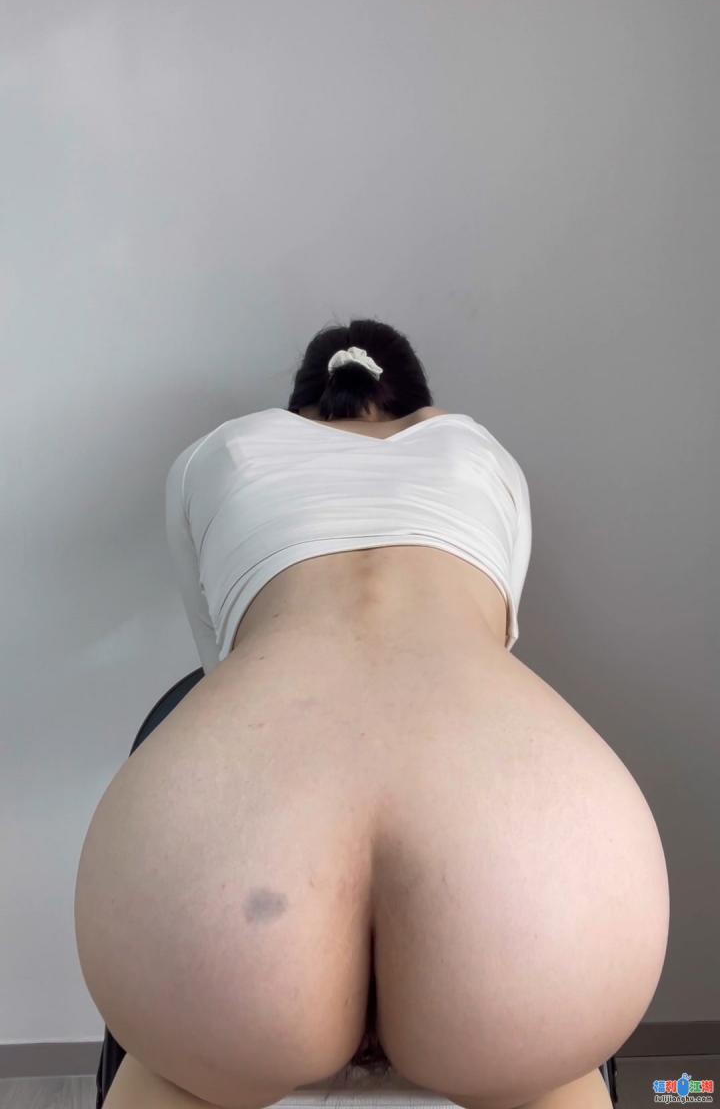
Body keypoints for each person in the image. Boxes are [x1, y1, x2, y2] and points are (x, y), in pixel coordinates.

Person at [74, 317, 669, 1109]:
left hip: (227, 879)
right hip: (524, 878)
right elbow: (497, 639)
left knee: (172, 1078)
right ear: (418, 399)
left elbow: (219, 659)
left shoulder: (216, 452)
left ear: (301, 403)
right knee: (552, 1080)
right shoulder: (481, 450)